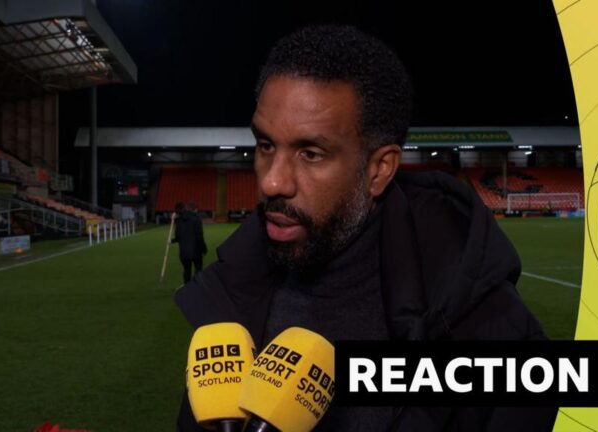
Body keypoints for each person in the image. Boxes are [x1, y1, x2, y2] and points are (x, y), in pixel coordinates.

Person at [175, 25, 556, 431]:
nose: (272, 182)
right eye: (266, 145)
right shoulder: (231, 302)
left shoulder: (490, 331)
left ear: (378, 170)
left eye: (310, 153)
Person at [172, 201, 207, 284]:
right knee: (198, 270)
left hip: (184, 252)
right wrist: (203, 249)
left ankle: (187, 288)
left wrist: (172, 240)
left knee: (187, 271)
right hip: (196, 251)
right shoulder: (196, 219)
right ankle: (197, 287)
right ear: (195, 210)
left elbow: (178, 237)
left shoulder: (178, 220)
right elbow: (199, 236)